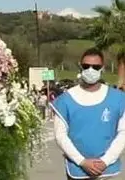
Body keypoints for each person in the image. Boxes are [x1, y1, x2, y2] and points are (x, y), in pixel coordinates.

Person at [52, 48, 125, 179]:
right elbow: (60, 135)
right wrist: (82, 161)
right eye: (86, 66)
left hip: (106, 169)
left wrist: (105, 161)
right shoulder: (65, 100)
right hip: (77, 169)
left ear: (102, 69)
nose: (90, 70)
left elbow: (123, 132)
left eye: (95, 67)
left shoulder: (118, 99)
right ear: (80, 67)